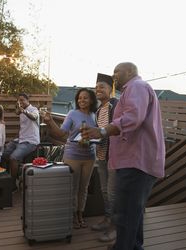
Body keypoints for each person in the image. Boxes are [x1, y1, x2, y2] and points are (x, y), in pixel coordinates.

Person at [82, 62, 165, 250]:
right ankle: (133, 245)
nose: (113, 76)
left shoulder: (137, 86)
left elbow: (133, 118)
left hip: (136, 162)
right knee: (132, 211)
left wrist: (102, 131)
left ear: (130, 72)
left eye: (116, 72)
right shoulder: (134, 89)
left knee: (125, 211)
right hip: (135, 161)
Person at [42, 88, 98, 229]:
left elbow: (98, 134)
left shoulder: (94, 115)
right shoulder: (72, 114)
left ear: (91, 100)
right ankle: (72, 215)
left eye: (85, 98)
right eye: (79, 98)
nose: (81, 100)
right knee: (73, 187)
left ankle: (80, 214)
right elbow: (61, 133)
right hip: (73, 154)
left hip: (90, 155)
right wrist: (50, 122)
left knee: (84, 188)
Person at [90, 74, 118, 242]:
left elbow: (116, 129)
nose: (98, 89)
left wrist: (99, 136)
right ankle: (108, 219)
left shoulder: (115, 106)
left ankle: (115, 227)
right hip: (101, 154)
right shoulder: (99, 109)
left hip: (114, 157)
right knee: (104, 191)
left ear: (110, 89)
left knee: (113, 193)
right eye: (97, 87)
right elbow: (99, 131)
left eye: (102, 87)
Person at [2, 93, 39, 181]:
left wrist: (23, 111)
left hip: (31, 142)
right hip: (20, 140)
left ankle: (13, 183)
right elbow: (22, 127)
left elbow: (34, 117)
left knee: (13, 158)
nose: (20, 102)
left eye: (22, 100)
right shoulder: (21, 112)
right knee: (3, 154)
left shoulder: (34, 109)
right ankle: (6, 177)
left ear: (27, 100)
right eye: (19, 100)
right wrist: (14, 139)